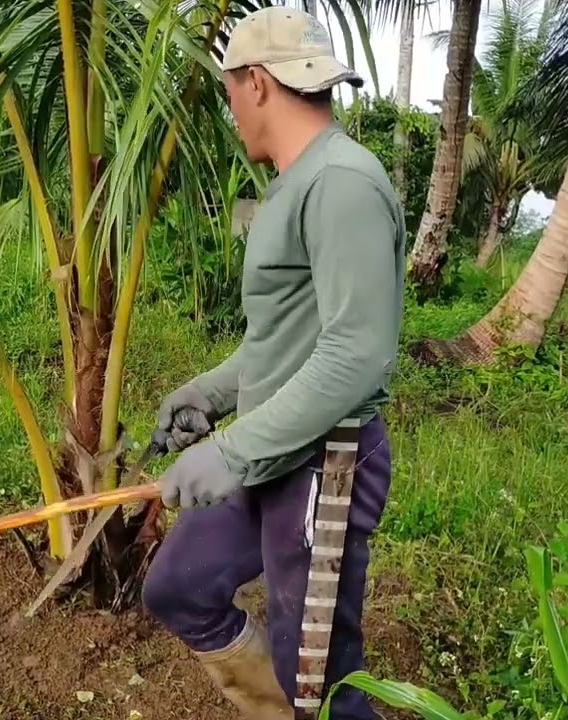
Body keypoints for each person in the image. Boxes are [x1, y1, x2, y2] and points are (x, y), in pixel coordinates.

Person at [141, 6, 406, 719]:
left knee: (321, 676)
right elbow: (282, 340)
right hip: (269, 453)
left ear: (255, 83)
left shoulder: (342, 182)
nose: (233, 112)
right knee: (179, 587)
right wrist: (209, 392)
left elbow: (358, 350)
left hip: (322, 466)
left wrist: (230, 449)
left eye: (230, 92)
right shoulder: (295, 185)